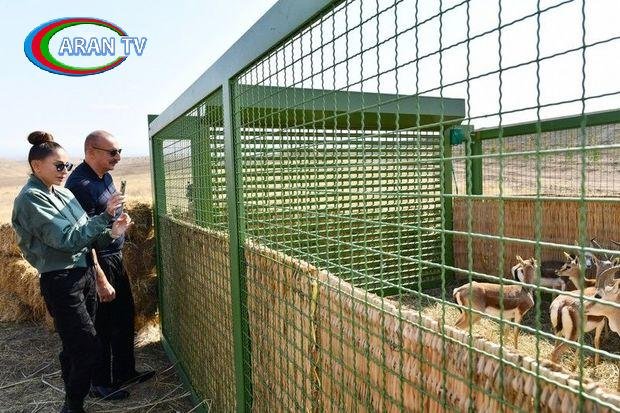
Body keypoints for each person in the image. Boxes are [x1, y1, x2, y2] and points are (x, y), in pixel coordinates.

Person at [12, 131, 131, 413]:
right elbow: (67, 240)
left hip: (83, 273)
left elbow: (85, 235)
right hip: (62, 281)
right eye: (58, 165)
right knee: (87, 346)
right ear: (36, 166)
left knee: (74, 346)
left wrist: (111, 232)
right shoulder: (30, 199)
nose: (65, 170)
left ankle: (72, 403)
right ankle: (73, 404)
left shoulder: (63, 193)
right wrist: (105, 216)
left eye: (67, 165)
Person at [65, 130, 154, 399]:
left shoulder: (105, 177)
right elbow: (83, 237)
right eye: (112, 152)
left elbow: (107, 216)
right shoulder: (80, 185)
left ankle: (125, 372)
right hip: (96, 260)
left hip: (115, 256)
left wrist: (120, 223)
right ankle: (99, 383)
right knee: (101, 324)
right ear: (91, 152)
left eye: (119, 151)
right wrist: (99, 276)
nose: (118, 157)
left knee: (124, 317)